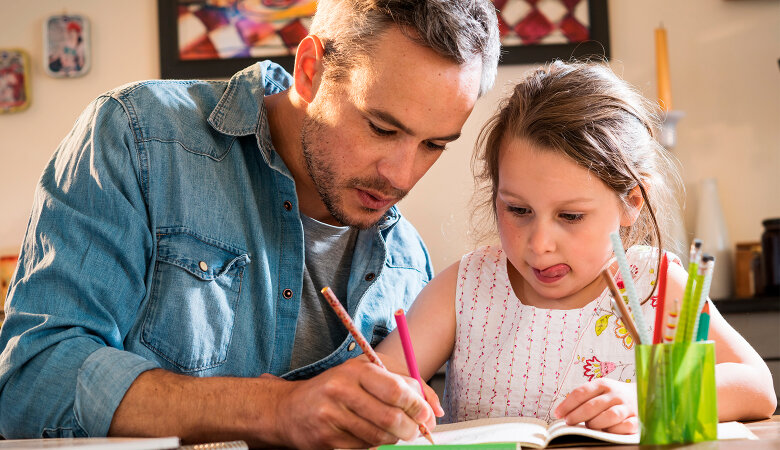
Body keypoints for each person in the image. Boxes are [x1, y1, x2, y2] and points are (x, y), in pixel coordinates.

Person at [0, 1, 500, 447]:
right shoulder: (139, 136)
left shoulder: (410, 266)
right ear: (310, 71)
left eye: (434, 145)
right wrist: (276, 409)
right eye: (382, 128)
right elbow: (33, 381)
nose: (402, 175)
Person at [376, 60, 777, 434]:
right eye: (518, 210)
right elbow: (380, 377)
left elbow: (756, 387)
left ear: (631, 203)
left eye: (570, 216)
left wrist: (651, 399)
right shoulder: (464, 287)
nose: (540, 244)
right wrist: (391, 397)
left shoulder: (656, 283)